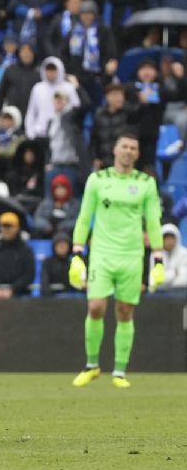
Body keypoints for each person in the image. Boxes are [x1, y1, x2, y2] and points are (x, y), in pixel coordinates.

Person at [69, 135, 164, 388]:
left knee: (125, 311)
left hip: (132, 255)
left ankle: (119, 372)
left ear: (137, 153)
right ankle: (92, 366)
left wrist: (158, 259)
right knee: (96, 307)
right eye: (124, 146)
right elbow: (84, 217)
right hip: (102, 253)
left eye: (133, 147)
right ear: (115, 150)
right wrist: (77, 254)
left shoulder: (146, 183)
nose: (128, 151)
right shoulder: (98, 179)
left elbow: (153, 222)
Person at [60, 0, 117, 106]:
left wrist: (111, 62)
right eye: (84, 14)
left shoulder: (103, 31)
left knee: (97, 105)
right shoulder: (72, 31)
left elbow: (110, 50)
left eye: (90, 14)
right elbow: (64, 53)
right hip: (77, 78)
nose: (87, 17)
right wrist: (69, 73)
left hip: (97, 77)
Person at [25, 57, 78, 141]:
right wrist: (30, 133)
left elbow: (76, 109)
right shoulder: (38, 88)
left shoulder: (68, 88)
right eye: (48, 70)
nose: (51, 73)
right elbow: (31, 112)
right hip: (40, 133)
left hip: (62, 134)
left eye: (53, 70)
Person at [0, 211, 35, 298]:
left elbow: (29, 275)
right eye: (4, 226)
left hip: (20, 295)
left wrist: (13, 289)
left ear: (18, 228)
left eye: (10, 226)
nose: (7, 230)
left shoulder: (26, 250)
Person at [90, 84, 134, 171]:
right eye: (115, 94)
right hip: (104, 163)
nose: (119, 98)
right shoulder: (99, 115)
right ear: (107, 97)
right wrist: (95, 157)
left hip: (123, 163)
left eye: (121, 95)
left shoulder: (129, 114)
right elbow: (94, 139)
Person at [40, 232, 73, 296]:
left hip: (70, 298)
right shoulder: (48, 262)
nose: (62, 246)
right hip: (50, 298)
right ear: (54, 246)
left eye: (64, 244)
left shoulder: (72, 263)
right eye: (59, 244)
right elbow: (44, 282)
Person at [159, 224, 187, 289]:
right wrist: (175, 272)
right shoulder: (157, 255)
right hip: (160, 295)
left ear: (177, 238)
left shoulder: (185, 253)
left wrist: (165, 277)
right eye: (166, 238)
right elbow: (155, 280)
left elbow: (184, 279)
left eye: (171, 238)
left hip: (182, 293)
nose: (169, 241)